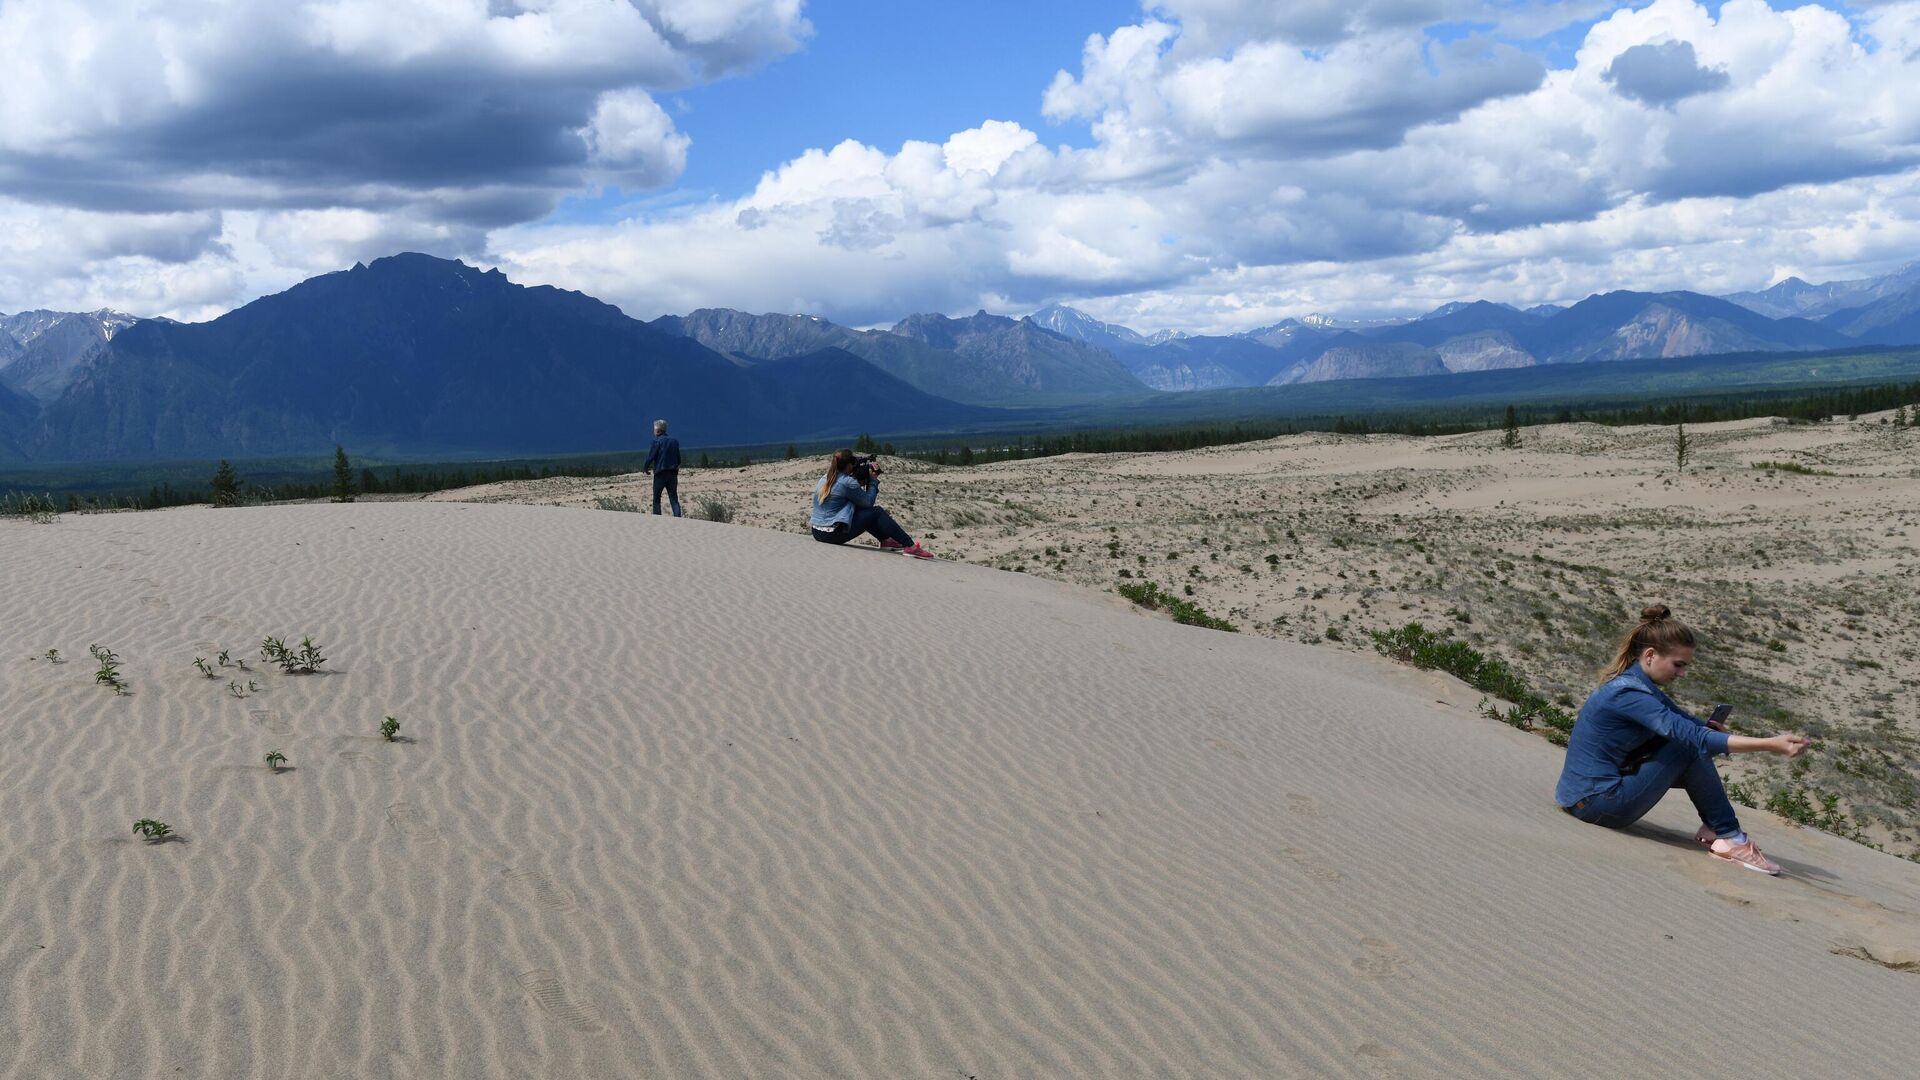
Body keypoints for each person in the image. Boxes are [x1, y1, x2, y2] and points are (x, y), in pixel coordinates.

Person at [1556, 605, 1809, 875]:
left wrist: (1712, 731)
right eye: (1678, 665)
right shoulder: (1630, 694)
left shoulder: (1635, 684)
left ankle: (1717, 827)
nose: (1682, 673)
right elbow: (1689, 736)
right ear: (1651, 655)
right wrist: (1769, 744)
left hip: (1582, 798)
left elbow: (1686, 722)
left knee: (1690, 745)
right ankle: (1731, 839)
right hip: (1598, 804)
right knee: (1687, 748)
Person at [808, 448, 932, 559]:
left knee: (865, 515)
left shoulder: (825, 478)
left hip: (817, 532)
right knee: (876, 512)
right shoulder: (847, 482)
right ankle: (909, 546)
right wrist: (872, 481)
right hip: (832, 534)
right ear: (849, 465)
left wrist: (857, 482)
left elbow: (846, 496)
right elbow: (868, 503)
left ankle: (886, 541)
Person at [643, 419, 682, 517]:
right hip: (673, 473)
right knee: (673, 497)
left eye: (654, 429)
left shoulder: (656, 441)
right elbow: (679, 459)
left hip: (660, 473)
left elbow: (651, 456)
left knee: (656, 498)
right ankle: (678, 518)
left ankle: (657, 519)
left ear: (657, 430)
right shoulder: (674, 441)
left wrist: (645, 467)